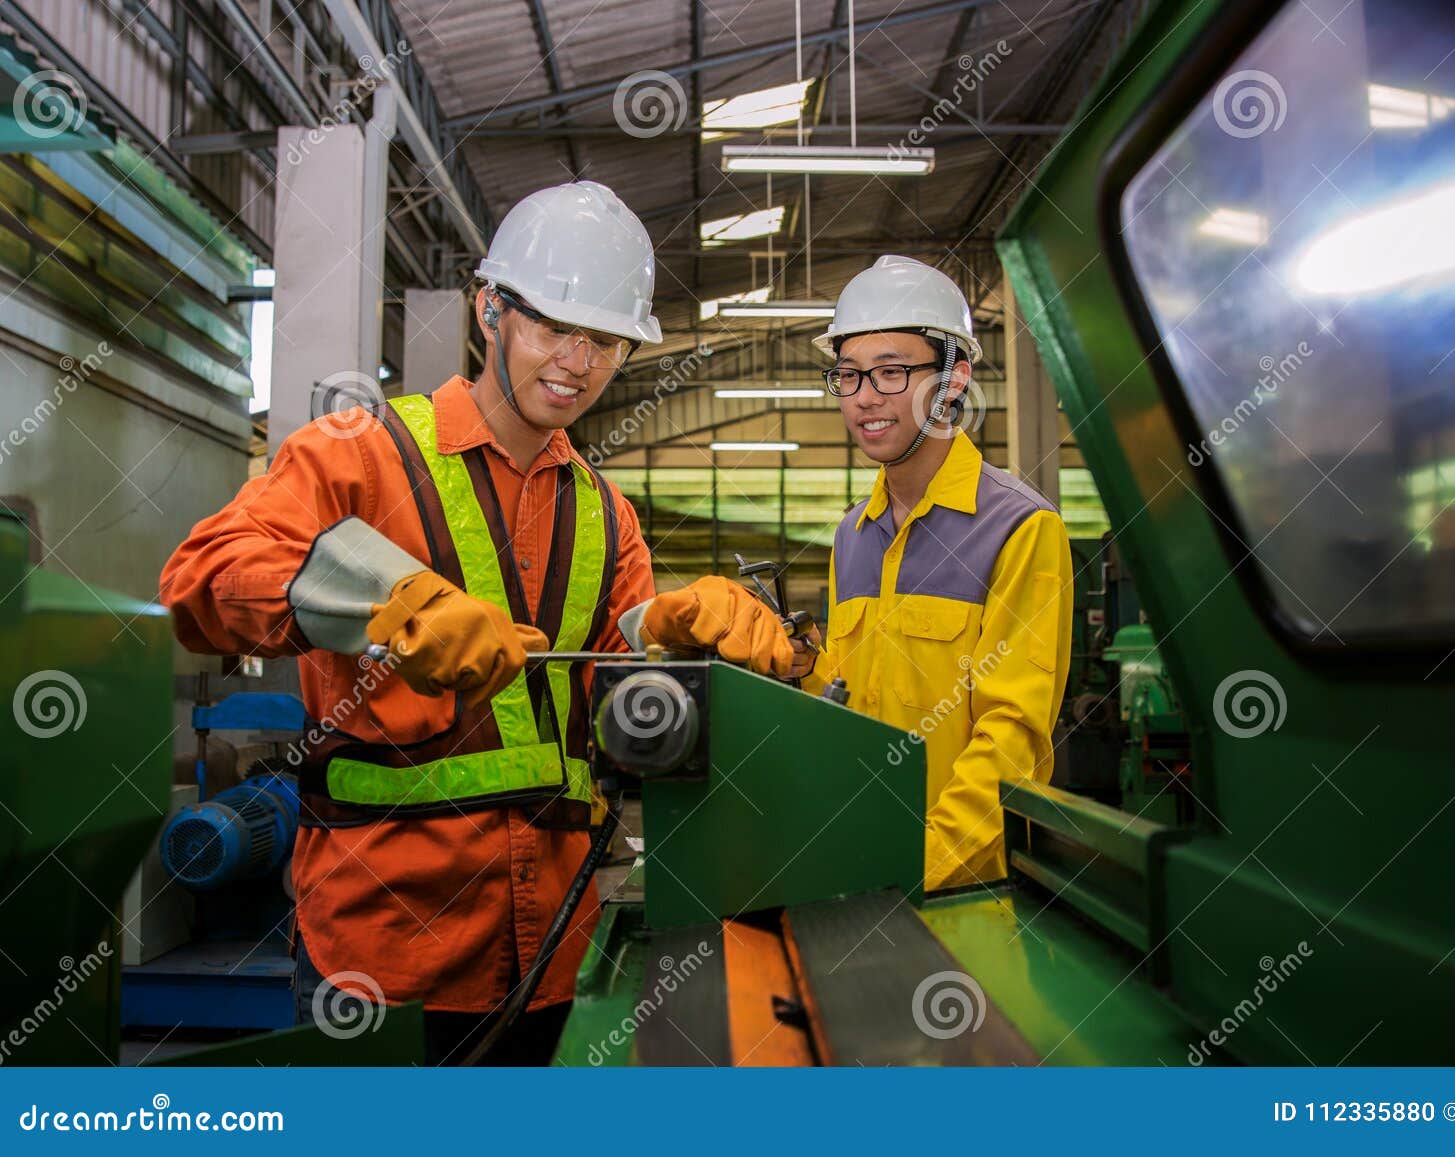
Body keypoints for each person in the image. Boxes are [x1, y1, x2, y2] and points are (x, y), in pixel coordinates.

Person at [159, 180, 787, 1064]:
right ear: (491, 310)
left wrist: (674, 633)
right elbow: (201, 580)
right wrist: (382, 608)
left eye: (604, 339)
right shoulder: (362, 452)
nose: (577, 360)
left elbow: (617, 689)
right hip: (383, 953)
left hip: (559, 949)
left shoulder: (608, 514)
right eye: (551, 327)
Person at [799, 255, 1073, 891]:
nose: (865, 397)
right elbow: (840, 703)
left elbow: (1012, 739)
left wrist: (916, 866)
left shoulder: (1020, 529)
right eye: (849, 374)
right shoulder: (853, 535)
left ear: (954, 379)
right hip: (856, 865)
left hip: (966, 892)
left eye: (892, 372)